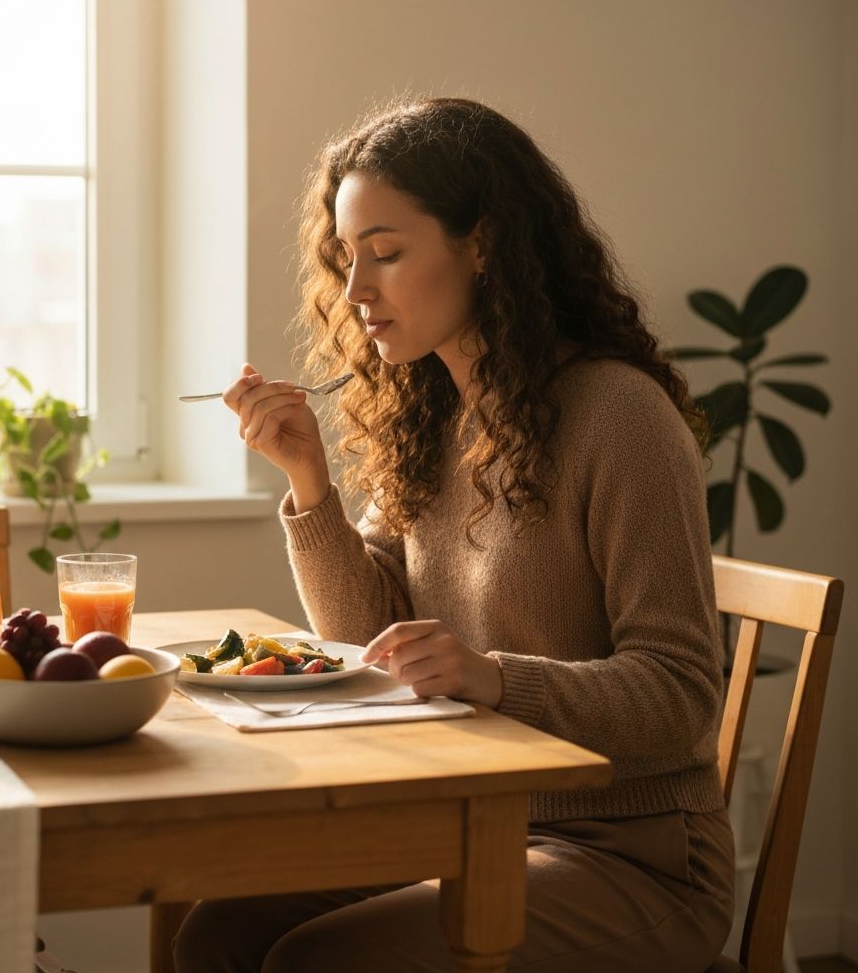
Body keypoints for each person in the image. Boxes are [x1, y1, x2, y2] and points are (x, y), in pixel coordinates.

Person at [174, 97, 734, 972]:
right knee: (218, 934)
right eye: (346, 257)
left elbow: (682, 694)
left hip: (633, 852)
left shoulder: (620, 416)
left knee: (320, 964)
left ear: (483, 245)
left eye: (387, 253)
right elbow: (369, 642)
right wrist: (309, 481)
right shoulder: (432, 417)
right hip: (471, 823)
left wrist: (494, 678)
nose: (356, 290)